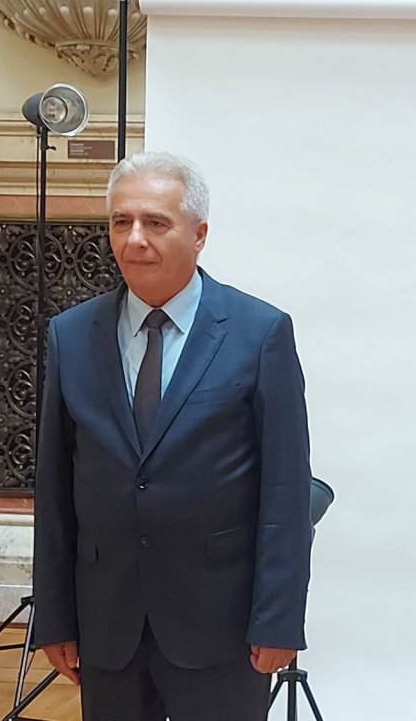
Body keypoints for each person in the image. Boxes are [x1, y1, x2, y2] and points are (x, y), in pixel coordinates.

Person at [32, 151, 313, 721]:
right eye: (121, 221)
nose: (134, 239)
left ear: (199, 234)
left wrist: (279, 620)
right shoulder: (71, 335)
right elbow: (54, 489)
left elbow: (286, 491)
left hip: (222, 625)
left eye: (155, 222)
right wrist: (55, 616)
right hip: (107, 625)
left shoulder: (260, 333)